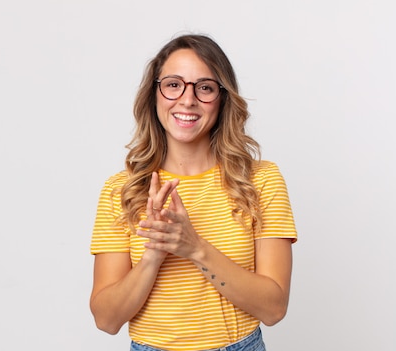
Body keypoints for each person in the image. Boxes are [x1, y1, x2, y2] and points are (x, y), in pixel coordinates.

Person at [89, 34, 298, 351]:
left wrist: (194, 247)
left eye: (204, 87)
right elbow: (106, 320)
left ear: (223, 98)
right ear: (154, 94)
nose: (187, 100)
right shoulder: (122, 189)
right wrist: (153, 256)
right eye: (173, 84)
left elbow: (273, 309)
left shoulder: (260, 180)